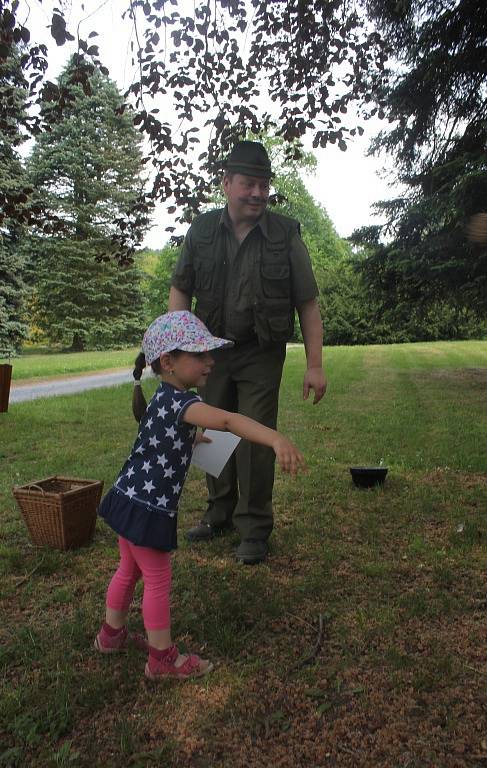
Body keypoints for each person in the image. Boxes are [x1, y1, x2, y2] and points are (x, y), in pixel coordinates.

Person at [94, 310, 305, 681]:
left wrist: (191, 438)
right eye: (200, 355)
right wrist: (274, 438)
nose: (211, 361)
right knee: (157, 578)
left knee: (128, 569)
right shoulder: (185, 404)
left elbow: (162, 436)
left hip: (127, 498)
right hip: (149, 509)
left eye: (210, 353)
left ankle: (111, 636)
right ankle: (162, 659)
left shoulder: (162, 397)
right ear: (168, 362)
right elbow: (227, 420)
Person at [169, 139, 326, 564]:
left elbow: (307, 301)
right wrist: (178, 349)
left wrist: (315, 364)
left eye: (263, 185)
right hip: (209, 353)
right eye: (248, 184)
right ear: (226, 184)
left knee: (256, 437)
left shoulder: (285, 234)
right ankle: (219, 511)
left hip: (261, 352)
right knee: (210, 433)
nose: (258, 193)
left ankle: (254, 527)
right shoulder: (201, 231)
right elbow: (180, 290)